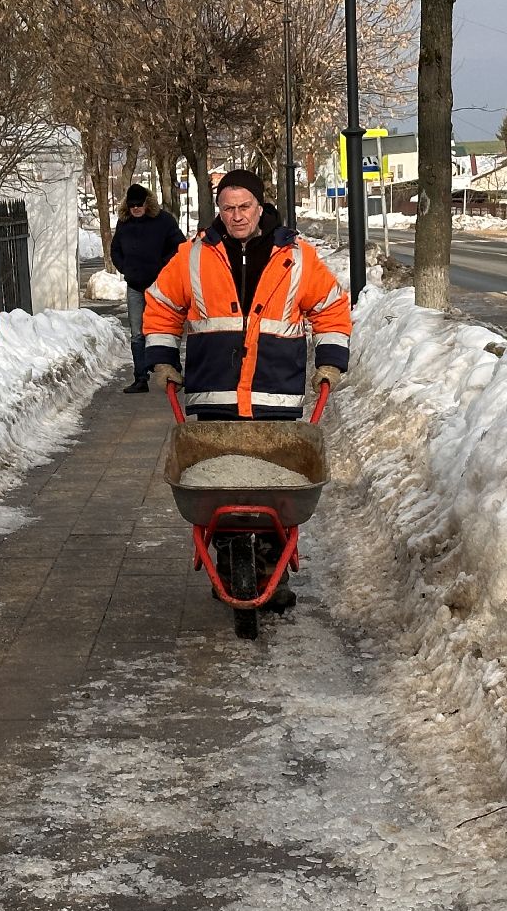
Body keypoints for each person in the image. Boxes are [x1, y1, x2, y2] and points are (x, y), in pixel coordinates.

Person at [143, 168, 352, 611]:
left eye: (245, 207)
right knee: (221, 489)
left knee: (272, 495)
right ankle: (228, 562)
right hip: (213, 394)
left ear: (261, 207)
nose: (236, 216)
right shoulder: (194, 256)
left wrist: (330, 362)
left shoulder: (295, 256)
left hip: (275, 396)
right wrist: (161, 360)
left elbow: (331, 309)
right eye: (228, 208)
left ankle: (272, 569)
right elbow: (162, 307)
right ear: (218, 209)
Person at [110, 183, 184, 393]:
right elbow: (115, 249)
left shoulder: (164, 221)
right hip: (135, 285)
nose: (136, 209)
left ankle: (173, 370)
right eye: (132, 205)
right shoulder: (124, 224)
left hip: (160, 286)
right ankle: (140, 378)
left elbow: (179, 246)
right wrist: (125, 268)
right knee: (137, 334)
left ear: (147, 203)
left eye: (139, 205)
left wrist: (164, 267)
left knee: (165, 329)